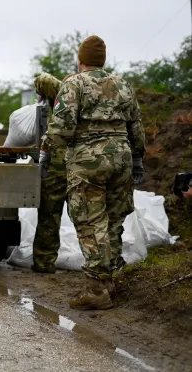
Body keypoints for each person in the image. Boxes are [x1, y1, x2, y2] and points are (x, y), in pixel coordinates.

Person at [41, 35, 146, 310]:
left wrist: (46, 150)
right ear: (103, 60)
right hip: (121, 157)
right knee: (112, 220)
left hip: (88, 161)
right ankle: (110, 282)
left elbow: (62, 128)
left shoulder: (73, 84)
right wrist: (137, 159)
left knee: (90, 222)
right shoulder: (123, 84)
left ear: (80, 59)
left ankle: (97, 289)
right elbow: (136, 125)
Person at [32, 72, 72, 274]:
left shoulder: (65, 96)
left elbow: (43, 79)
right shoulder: (89, 101)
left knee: (49, 215)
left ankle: (44, 262)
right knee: (85, 218)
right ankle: (95, 264)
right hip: (79, 165)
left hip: (57, 164)